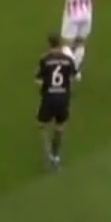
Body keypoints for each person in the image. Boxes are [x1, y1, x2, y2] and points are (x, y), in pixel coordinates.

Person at [35, 34, 79, 170]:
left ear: (49, 44)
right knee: (60, 126)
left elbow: (38, 80)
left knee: (41, 124)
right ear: (60, 44)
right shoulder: (68, 60)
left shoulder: (45, 59)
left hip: (49, 97)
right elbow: (73, 76)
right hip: (63, 98)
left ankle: (48, 154)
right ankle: (56, 155)